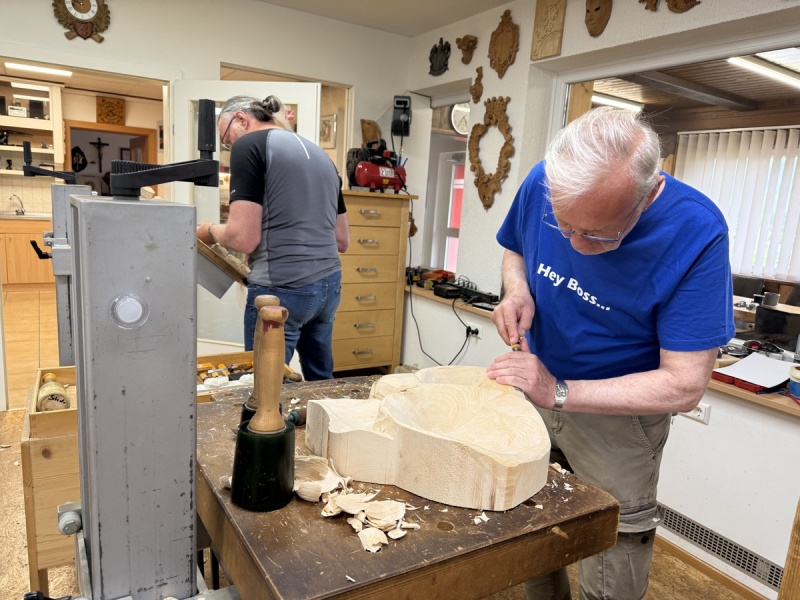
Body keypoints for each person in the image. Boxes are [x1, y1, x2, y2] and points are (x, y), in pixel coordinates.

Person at [486, 107, 734, 600]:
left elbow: (684, 385)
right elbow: (515, 248)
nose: (577, 247)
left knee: (613, 545)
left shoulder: (696, 231)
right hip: (535, 384)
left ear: (647, 194)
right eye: (564, 227)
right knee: (529, 517)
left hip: (618, 417)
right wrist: (517, 290)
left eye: (599, 234)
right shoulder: (542, 182)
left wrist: (560, 391)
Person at [197, 94, 346, 381]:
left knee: (263, 388)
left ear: (241, 119)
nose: (230, 147)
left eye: (227, 140)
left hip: (281, 289)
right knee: (320, 381)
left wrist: (209, 231)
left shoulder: (249, 146)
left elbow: (243, 238)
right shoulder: (322, 156)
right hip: (328, 287)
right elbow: (342, 240)